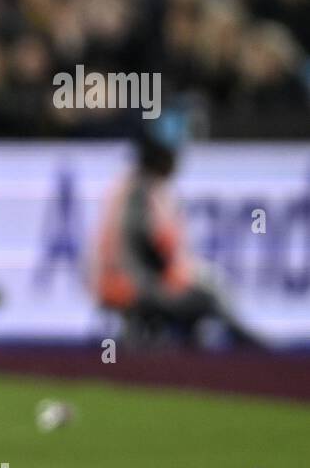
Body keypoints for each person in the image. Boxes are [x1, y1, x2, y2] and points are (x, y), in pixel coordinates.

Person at [93, 110, 262, 348]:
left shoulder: (130, 186)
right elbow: (150, 246)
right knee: (206, 296)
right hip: (134, 285)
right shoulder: (140, 193)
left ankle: (224, 337)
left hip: (125, 280)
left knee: (202, 285)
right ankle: (242, 338)